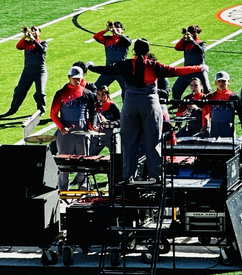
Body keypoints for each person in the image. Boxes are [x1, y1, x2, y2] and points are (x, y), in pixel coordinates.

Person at [88, 38, 205, 182]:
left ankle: (128, 176)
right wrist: (198, 68)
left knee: (129, 141)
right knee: (153, 140)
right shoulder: (152, 65)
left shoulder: (126, 64)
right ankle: (156, 176)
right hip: (149, 104)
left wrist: (91, 67)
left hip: (130, 104)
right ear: (147, 51)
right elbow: (175, 71)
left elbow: (107, 69)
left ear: (134, 50)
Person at [50, 66, 97, 190]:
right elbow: (53, 113)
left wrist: (93, 127)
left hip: (83, 130)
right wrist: (61, 127)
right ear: (69, 78)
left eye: (79, 79)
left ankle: (83, 185)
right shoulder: (60, 93)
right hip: (66, 131)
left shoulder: (88, 94)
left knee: (83, 159)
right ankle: (63, 188)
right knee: (64, 160)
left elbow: (92, 113)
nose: (78, 81)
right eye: (75, 79)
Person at [0, 26, 47, 117]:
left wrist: (33, 40)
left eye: (35, 30)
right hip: (27, 73)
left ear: (39, 33)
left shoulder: (43, 43)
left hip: (40, 72)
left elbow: (42, 50)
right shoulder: (26, 43)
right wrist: (24, 37)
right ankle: (12, 109)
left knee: (40, 92)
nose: (32, 31)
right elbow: (18, 46)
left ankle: (41, 109)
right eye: (31, 29)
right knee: (19, 91)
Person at [201, 71, 242, 139]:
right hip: (214, 126)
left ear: (228, 82)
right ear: (216, 83)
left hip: (228, 126)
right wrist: (205, 125)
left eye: (223, 81)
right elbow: (205, 111)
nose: (221, 83)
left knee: (228, 146)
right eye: (219, 81)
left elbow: (241, 111)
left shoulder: (234, 96)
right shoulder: (210, 97)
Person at [172, 25, 211, 100]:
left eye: (193, 32)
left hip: (199, 70)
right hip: (187, 69)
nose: (192, 34)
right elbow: (177, 47)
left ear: (197, 33)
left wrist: (192, 41)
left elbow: (200, 51)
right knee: (176, 89)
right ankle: (178, 104)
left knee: (207, 90)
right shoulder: (186, 43)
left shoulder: (201, 43)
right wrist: (183, 39)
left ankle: (207, 106)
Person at [92, 21, 131, 96]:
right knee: (95, 88)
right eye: (114, 27)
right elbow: (96, 37)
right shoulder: (107, 39)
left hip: (121, 71)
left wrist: (116, 33)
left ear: (122, 30)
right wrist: (106, 30)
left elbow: (128, 42)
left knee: (127, 91)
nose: (114, 29)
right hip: (108, 70)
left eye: (117, 27)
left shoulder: (124, 39)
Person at [91, 85, 121, 156]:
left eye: (103, 94)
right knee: (88, 157)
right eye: (98, 94)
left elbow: (120, 122)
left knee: (117, 158)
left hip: (111, 137)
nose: (100, 97)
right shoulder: (93, 106)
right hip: (96, 137)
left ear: (107, 95)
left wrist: (107, 122)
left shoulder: (113, 107)